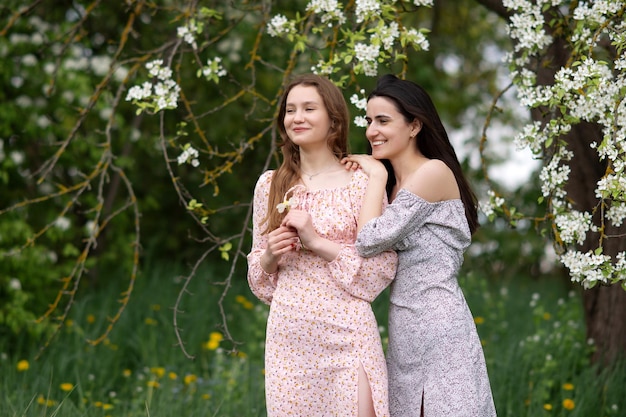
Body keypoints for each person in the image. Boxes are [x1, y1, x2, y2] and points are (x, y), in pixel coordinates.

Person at [342, 74, 497, 417]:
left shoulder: (433, 173)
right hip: (403, 328)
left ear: (414, 126)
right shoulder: (392, 189)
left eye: (383, 120)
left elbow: (367, 240)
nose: (371, 131)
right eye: (368, 121)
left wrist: (377, 175)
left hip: (440, 326)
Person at [246, 73, 398, 417]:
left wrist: (316, 241)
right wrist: (271, 255)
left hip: (347, 333)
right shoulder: (270, 185)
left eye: (309, 109)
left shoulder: (360, 182)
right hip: (290, 337)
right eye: (290, 110)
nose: (297, 117)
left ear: (334, 120)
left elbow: (379, 269)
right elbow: (259, 279)